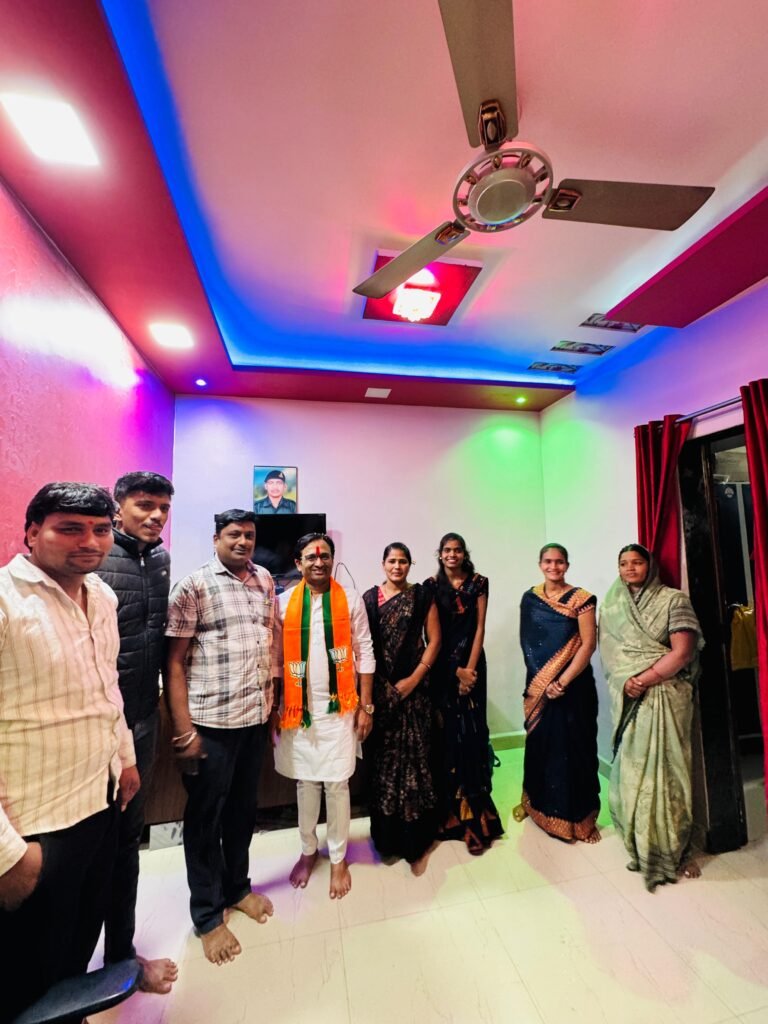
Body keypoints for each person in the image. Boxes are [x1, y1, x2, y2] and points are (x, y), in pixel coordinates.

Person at [0, 482, 139, 1022]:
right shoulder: (7, 602)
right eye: (70, 529)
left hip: (99, 803)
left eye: (101, 530)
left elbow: (106, 687)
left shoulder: (101, 596)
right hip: (34, 826)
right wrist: (9, 855)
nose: (90, 542)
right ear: (32, 532)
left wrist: (125, 758)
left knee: (74, 952)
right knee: (24, 977)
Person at [165, 509, 276, 966]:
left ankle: (238, 889)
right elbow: (173, 662)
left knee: (242, 813)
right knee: (205, 822)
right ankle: (208, 916)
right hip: (210, 725)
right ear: (216, 539)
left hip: (253, 719)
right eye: (234, 534)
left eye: (249, 535)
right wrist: (183, 728)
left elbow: (268, 643)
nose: (243, 542)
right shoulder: (193, 586)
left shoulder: (265, 580)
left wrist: (272, 707)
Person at [97, 471, 177, 994]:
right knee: (84, 847)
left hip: (143, 717)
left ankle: (121, 958)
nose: (156, 516)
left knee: (128, 840)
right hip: (95, 726)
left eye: (163, 508)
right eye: (145, 505)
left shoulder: (161, 559)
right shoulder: (97, 558)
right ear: (119, 505)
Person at [272, 532, 375, 899]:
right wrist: (275, 705)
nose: (319, 562)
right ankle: (307, 850)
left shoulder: (350, 600)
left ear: (332, 559)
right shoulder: (283, 603)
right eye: (311, 557)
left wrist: (366, 706)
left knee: (337, 784)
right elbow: (275, 657)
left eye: (325, 556)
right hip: (298, 710)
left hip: (339, 707)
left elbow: (365, 651)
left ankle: (338, 857)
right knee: (305, 783)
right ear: (298, 563)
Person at [600, 543, 704, 891]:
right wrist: (627, 682)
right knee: (633, 769)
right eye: (623, 563)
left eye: (637, 562)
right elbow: (612, 655)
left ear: (650, 566)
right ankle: (638, 838)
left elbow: (683, 652)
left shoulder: (674, 600)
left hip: (666, 695)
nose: (630, 568)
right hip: (632, 697)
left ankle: (674, 849)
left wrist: (643, 679)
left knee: (670, 772)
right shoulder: (613, 607)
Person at [363, 543, 441, 875]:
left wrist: (414, 679)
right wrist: (376, 690)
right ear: (383, 564)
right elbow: (363, 646)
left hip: (415, 692)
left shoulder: (422, 596)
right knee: (383, 766)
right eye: (392, 561)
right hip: (382, 695)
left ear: (410, 564)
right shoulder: (369, 599)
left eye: (403, 561)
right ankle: (387, 840)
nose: (397, 566)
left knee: (416, 762)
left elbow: (434, 640)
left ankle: (416, 843)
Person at [423, 533, 503, 854]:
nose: (452, 555)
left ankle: (479, 816)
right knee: (448, 739)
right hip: (444, 669)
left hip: (473, 667)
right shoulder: (431, 586)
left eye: (457, 550)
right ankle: (453, 817)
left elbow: (479, 627)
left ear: (463, 553)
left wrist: (469, 671)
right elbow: (431, 636)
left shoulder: (479, 583)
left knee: (473, 736)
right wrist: (456, 671)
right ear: (440, 554)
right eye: (447, 550)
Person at [516, 544, 600, 842]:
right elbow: (528, 644)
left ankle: (580, 820)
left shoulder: (582, 599)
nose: (554, 567)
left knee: (575, 750)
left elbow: (588, 644)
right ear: (540, 564)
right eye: (548, 561)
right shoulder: (530, 598)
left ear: (567, 565)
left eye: (560, 562)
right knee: (542, 747)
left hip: (574, 688)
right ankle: (538, 807)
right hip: (540, 687)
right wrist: (545, 682)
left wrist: (561, 681)